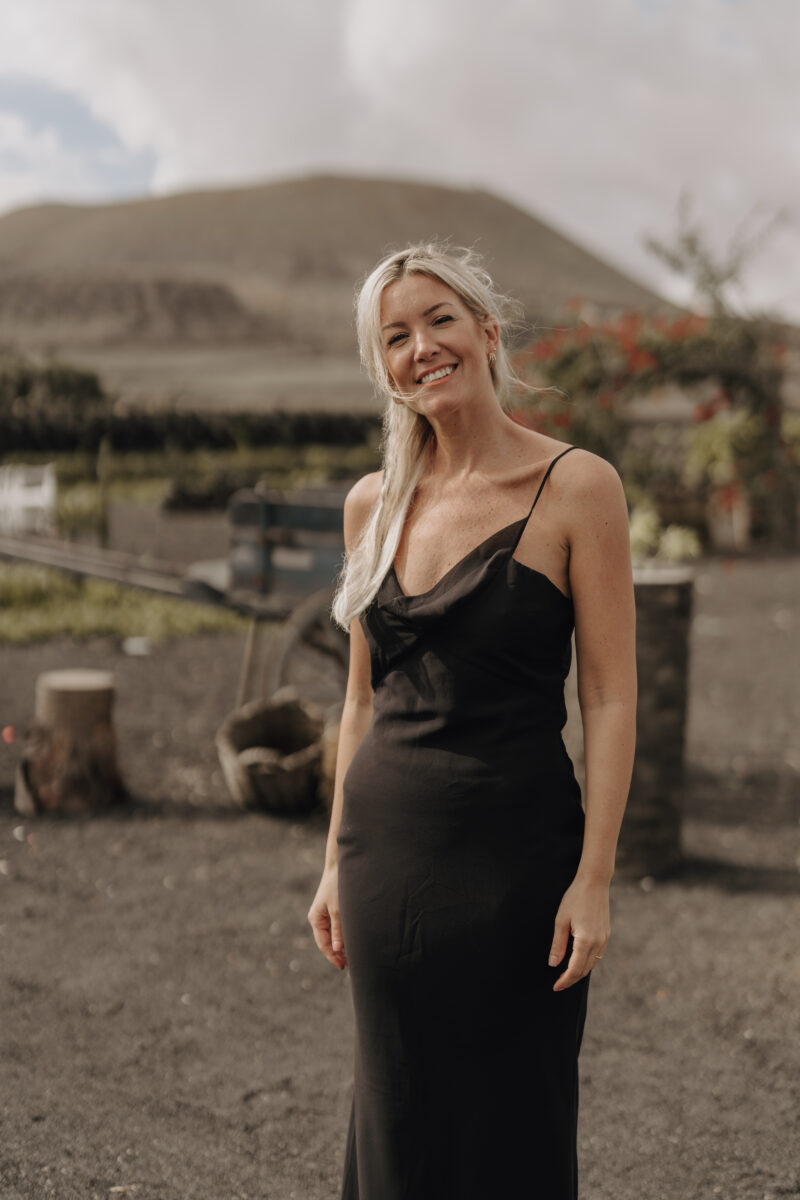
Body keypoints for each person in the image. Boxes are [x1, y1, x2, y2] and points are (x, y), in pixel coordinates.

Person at [308, 243, 637, 1199]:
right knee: (397, 1113)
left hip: (519, 865)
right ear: (386, 369)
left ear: (489, 335)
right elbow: (362, 697)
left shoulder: (580, 487)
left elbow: (610, 698)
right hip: (386, 860)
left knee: (514, 1121)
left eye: (439, 320)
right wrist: (332, 859)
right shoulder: (372, 503)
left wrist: (596, 879)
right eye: (396, 336)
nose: (423, 347)